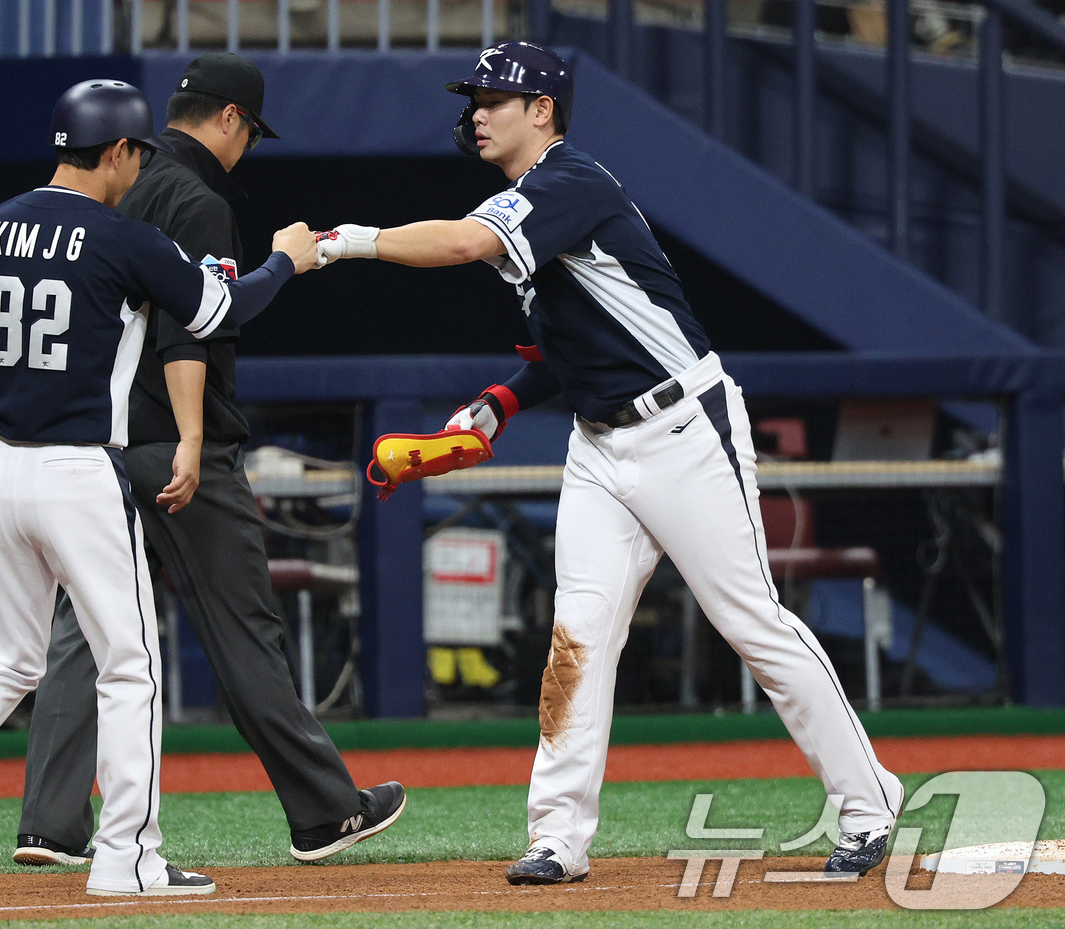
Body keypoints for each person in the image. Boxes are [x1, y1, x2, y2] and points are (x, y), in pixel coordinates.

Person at [314, 41, 905, 884]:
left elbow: (459, 245)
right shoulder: (534, 199)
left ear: (542, 110)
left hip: (683, 428)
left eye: (495, 98)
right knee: (577, 636)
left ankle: (869, 801)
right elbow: (565, 348)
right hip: (599, 444)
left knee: (753, 623)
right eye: (474, 98)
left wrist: (348, 242)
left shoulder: (570, 182)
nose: (477, 112)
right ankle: (558, 836)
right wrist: (499, 404)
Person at [0, 78, 320, 896]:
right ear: (117, 151)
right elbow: (223, 308)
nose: (139, 170)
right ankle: (127, 859)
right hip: (78, 470)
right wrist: (288, 259)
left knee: (4, 656)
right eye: (136, 155)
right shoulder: (119, 236)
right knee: (130, 661)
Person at [14, 53, 406, 870]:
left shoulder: (121, 184)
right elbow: (195, 325)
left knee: (84, 634)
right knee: (243, 633)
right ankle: (326, 811)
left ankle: (49, 826)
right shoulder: (195, 197)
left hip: (99, 444)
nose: (247, 148)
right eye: (249, 133)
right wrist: (285, 264)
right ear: (229, 118)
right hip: (178, 450)